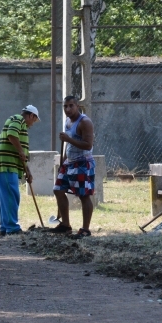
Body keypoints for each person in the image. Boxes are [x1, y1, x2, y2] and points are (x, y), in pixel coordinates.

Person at [50, 95, 95, 239]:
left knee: (84, 195)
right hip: (69, 162)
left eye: (71, 106)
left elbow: (88, 145)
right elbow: (68, 144)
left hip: (82, 162)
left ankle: (85, 230)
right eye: (65, 106)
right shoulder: (67, 121)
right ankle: (65, 225)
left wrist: (68, 139)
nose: (68, 109)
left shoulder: (85, 122)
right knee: (58, 190)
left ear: (77, 106)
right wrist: (63, 161)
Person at [0, 105, 40, 236]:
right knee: (11, 195)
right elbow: (11, 134)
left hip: (6, 164)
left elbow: (22, 155)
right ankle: (12, 227)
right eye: (34, 120)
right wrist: (20, 151)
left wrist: (27, 171)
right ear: (30, 115)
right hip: (6, 164)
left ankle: (4, 227)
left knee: (5, 197)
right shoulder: (18, 119)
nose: (33, 124)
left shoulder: (22, 127)